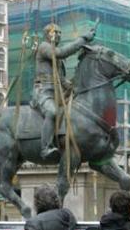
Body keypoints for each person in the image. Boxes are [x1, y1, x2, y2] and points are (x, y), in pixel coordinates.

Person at [33, 23, 95, 159]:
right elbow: (61, 53)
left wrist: (75, 85)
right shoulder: (44, 47)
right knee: (52, 112)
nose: (59, 35)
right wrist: (83, 39)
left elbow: (62, 81)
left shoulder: (56, 56)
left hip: (57, 92)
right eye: (56, 32)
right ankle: (45, 147)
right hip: (43, 91)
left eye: (61, 33)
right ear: (48, 34)